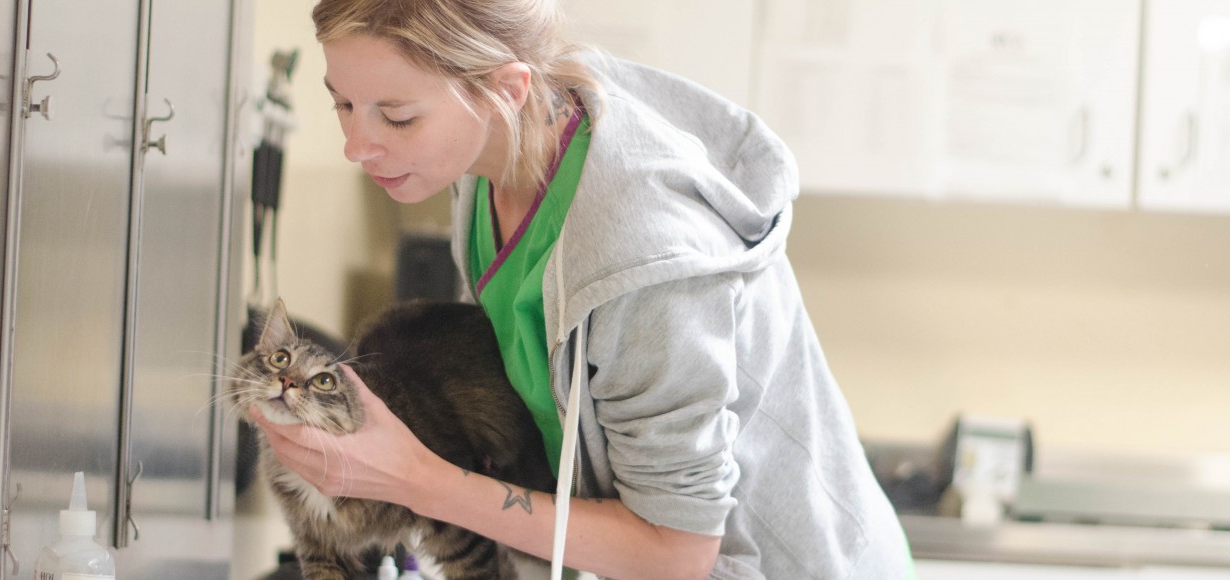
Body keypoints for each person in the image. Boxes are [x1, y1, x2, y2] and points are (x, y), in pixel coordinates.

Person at [248, 0, 916, 578]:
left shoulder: (641, 257)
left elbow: (678, 552)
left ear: (506, 88)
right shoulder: (493, 152)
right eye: (342, 103)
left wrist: (416, 479)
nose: (357, 146)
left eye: (396, 117)